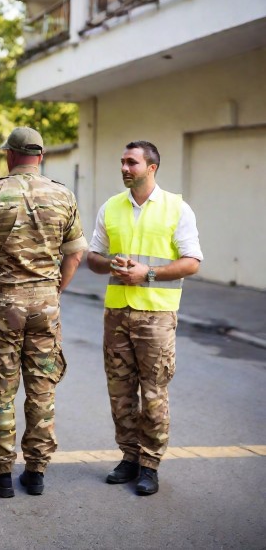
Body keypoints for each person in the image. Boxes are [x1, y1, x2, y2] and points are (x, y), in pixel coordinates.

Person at [0, 127, 88, 498]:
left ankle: (1, 474)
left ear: (10, 156)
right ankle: (36, 472)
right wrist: (54, 289)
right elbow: (75, 252)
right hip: (45, 302)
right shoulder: (63, 195)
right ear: (41, 156)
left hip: (3, 303)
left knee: (0, 385)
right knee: (42, 385)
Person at [87, 140, 203, 496]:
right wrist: (111, 263)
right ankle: (129, 457)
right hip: (117, 313)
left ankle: (150, 465)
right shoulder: (111, 207)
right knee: (120, 392)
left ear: (151, 167)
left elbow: (192, 261)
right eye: (122, 162)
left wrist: (147, 273)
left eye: (131, 163)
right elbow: (93, 257)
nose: (124, 168)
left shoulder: (177, 208)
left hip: (156, 315)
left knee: (153, 393)